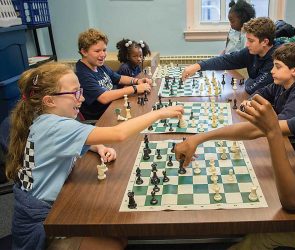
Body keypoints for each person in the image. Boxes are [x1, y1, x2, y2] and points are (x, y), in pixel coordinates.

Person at [175, 63, 295, 248]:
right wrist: (199, 138)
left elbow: (293, 199)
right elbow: (254, 130)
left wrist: (273, 133)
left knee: (268, 229)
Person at [6, 63, 184, 250]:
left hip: (52, 205)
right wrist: (158, 113)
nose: (82, 98)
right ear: (49, 101)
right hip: (44, 224)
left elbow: (72, 140)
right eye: (75, 93)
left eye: (80, 90)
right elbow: (118, 134)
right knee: (114, 244)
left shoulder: (47, 120)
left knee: (118, 236)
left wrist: (97, 146)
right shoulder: (56, 126)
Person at [241, 42, 295, 167]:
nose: (272, 71)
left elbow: (285, 121)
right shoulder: (280, 84)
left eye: (278, 67)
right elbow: (260, 93)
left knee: (253, 162)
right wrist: (250, 101)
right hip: (283, 141)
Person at [182, 17, 278, 95]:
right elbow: (226, 60)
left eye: (251, 41)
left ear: (265, 42)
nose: (247, 44)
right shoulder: (251, 52)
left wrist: (249, 81)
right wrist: (198, 66)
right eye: (247, 40)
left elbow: (252, 88)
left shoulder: (276, 61)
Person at [76, 28, 152, 120]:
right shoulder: (82, 74)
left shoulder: (99, 65)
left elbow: (118, 78)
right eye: (97, 51)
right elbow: (104, 97)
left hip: (113, 108)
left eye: (104, 50)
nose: (103, 54)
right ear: (84, 52)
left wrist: (137, 81)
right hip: (102, 119)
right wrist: (135, 88)